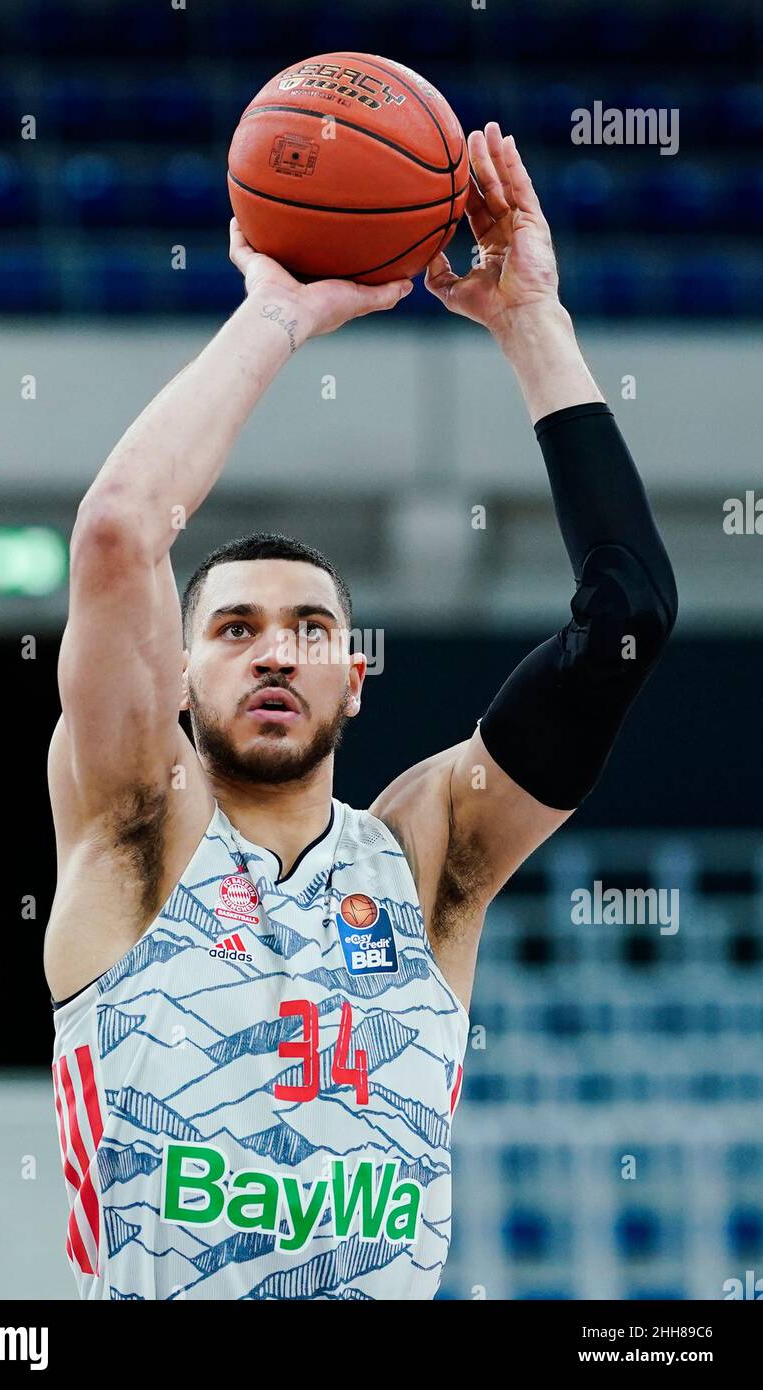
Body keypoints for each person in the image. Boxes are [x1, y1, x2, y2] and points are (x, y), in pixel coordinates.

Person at [46, 122, 677, 1300]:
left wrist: (529, 317)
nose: (274, 651)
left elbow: (626, 618)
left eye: (311, 630)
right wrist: (279, 315)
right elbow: (124, 530)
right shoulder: (133, 833)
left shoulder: (426, 857)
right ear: (176, 679)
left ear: (356, 676)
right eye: (233, 628)